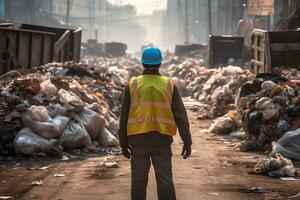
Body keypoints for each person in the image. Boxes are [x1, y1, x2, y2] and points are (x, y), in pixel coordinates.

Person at [118, 45, 192, 200]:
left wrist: (123, 143)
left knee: (138, 182)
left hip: (138, 140)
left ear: (142, 63)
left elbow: (123, 116)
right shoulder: (169, 84)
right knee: (165, 181)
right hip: (162, 140)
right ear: (160, 63)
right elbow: (181, 115)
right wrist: (187, 141)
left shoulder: (133, 84)